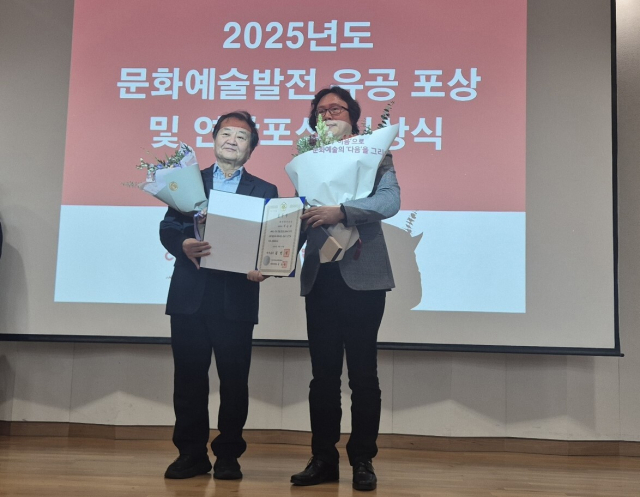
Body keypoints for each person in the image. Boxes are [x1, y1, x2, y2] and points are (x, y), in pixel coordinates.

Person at [290, 87, 401, 491]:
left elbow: (390, 201)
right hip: (321, 276)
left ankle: (363, 459)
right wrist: (273, 256)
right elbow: (300, 218)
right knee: (322, 377)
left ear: (353, 116)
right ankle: (323, 458)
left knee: (363, 375)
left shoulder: (375, 154)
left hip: (363, 276)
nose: (328, 115)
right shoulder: (307, 160)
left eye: (336, 109)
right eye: (321, 111)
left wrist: (342, 211)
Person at [161, 111, 278, 480]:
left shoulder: (266, 190)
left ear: (250, 148)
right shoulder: (188, 183)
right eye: (225, 133)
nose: (232, 140)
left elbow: (272, 240)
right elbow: (168, 227)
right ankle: (191, 454)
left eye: (241, 137)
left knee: (234, 382)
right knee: (188, 380)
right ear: (213, 140)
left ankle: (228, 455)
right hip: (190, 296)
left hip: (236, 298)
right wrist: (184, 243)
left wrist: (266, 264)